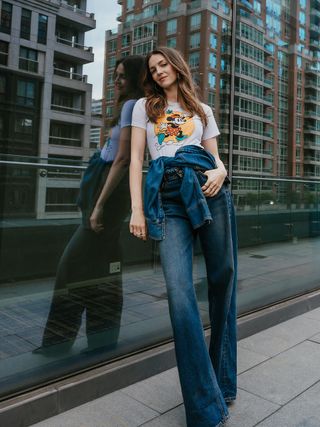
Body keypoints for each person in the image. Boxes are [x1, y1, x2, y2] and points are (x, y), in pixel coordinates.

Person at [129, 47, 237, 427]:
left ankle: (223, 381)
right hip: (169, 195)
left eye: (163, 64)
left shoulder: (202, 111)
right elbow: (137, 160)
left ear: (176, 65)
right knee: (179, 293)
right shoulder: (144, 107)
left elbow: (217, 159)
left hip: (210, 189)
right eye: (152, 68)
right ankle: (205, 407)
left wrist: (221, 172)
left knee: (223, 280)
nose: (158, 71)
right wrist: (138, 209)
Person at [34, 55, 145, 355]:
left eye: (122, 76)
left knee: (70, 267)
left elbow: (122, 159)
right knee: (104, 264)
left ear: (136, 78)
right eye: (115, 76)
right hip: (106, 185)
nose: (116, 81)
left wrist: (98, 205)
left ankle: (57, 345)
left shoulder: (133, 106)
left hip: (110, 191)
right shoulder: (127, 106)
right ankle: (102, 339)